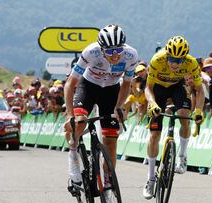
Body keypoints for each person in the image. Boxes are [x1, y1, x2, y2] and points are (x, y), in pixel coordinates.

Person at [63, 24, 138, 200]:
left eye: (118, 50)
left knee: (111, 139)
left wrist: (119, 106)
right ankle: (73, 154)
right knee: (79, 122)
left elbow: (126, 84)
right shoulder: (91, 52)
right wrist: (70, 115)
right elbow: (70, 84)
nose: (115, 55)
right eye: (110, 51)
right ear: (101, 48)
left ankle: (108, 180)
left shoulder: (131, 56)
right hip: (87, 87)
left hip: (111, 90)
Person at [142, 36, 205, 199]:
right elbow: (148, 88)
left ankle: (182, 157)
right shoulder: (157, 60)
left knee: (184, 115)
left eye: (179, 60)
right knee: (154, 135)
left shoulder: (191, 63)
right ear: (167, 55)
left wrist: (198, 110)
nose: (175, 63)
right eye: (172, 59)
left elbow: (200, 90)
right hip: (158, 90)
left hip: (178, 87)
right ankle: (150, 179)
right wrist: (152, 104)